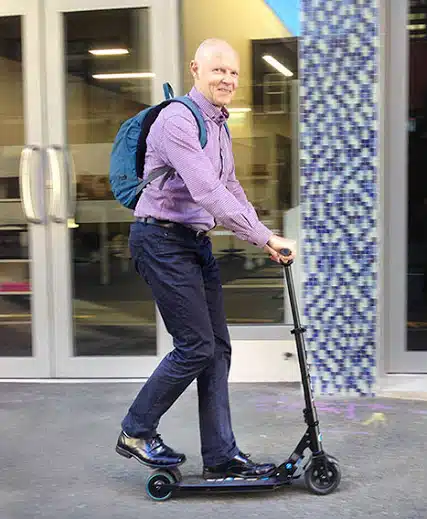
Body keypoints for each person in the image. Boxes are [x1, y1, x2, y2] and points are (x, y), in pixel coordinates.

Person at [115, 38, 296, 480]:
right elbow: (207, 190)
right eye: (218, 71)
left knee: (216, 349)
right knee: (195, 344)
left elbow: (230, 186)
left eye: (233, 73)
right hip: (160, 240)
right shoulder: (178, 119)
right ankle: (136, 430)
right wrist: (260, 234)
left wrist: (264, 238)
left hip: (193, 242)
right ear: (196, 69)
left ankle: (220, 455)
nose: (227, 80)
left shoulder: (218, 125)